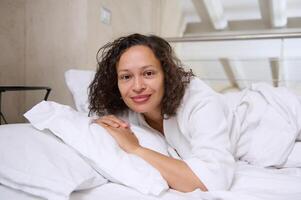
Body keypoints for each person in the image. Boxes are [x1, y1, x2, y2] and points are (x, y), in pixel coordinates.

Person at [88, 33, 235, 193]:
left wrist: (136, 149)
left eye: (148, 73)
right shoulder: (123, 109)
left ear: (167, 75)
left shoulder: (200, 101)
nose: (137, 86)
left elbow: (212, 180)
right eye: (126, 76)